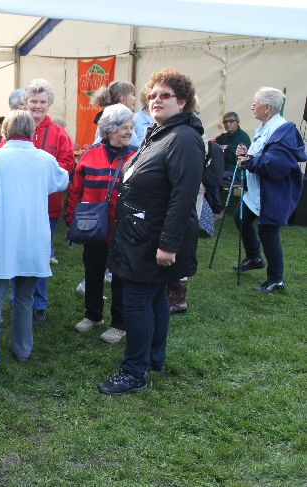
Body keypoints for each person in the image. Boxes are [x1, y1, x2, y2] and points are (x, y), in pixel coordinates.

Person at [99, 69, 204, 395]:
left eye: (166, 95)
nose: (157, 100)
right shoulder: (160, 134)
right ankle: (153, 359)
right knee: (156, 295)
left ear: (182, 101)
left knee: (135, 301)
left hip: (153, 238)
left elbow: (183, 197)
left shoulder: (183, 139)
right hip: (140, 234)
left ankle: (134, 372)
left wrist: (169, 244)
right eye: (154, 95)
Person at [0, 110, 69, 377]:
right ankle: (23, 349)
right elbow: (62, 180)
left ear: (4, 131)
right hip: (33, 239)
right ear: (32, 132)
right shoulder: (44, 159)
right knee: (25, 298)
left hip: (3, 238)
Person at [65, 104, 135, 344]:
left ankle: (120, 323)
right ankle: (93, 315)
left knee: (120, 277)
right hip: (93, 227)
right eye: (124, 127)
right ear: (110, 129)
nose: (129, 132)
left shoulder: (135, 156)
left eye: (131, 127)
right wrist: (71, 220)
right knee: (93, 272)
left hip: (123, 228)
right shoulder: (90, 154)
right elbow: (75, 190)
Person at [233, 87, 306, 293]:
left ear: (266, 108)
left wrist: (248, 162)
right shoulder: (266, 127)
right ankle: (254, 258)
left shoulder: (283, 130)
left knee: (268, 233)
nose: (252, 106)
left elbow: (274, 165)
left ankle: (276, 280)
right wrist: (247, 154)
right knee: (240, 218)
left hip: (273, 194)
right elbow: (262, 155)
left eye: (255, 103)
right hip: (257, 192)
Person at [21, 78, 75, 322]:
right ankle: (18, 300)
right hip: (19, 205)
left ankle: (39, 303)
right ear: (26, 102)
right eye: (33, 101)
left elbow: (66, 165)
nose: (38, 106)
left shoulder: (59, 134)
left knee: (41, 254)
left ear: (49, 104)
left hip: (47, 206)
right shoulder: (16, 127)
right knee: (19, 252)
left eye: (42, 102)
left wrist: (40, 174)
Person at [91, 81, 141, 147]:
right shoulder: (124, 122)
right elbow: (136, 147)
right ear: (123, 99)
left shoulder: (105, 119)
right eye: (132, 94)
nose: (135, 98)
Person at [215, 111, 251, 180]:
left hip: (237, 172)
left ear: (237, 122)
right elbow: (213, 143)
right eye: (225, 122)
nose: (228, 123)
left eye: (231, 121)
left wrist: (223, 148)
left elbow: (233, 155)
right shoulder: (223, 136)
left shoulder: (242, 136)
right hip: (223, 170)